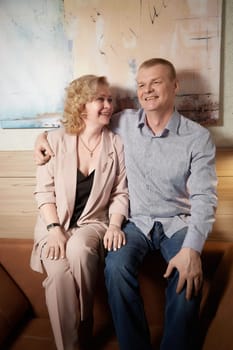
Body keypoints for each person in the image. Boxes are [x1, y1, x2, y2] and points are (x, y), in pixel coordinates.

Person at [34, 58, 217, 350]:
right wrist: (42, 138)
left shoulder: (198, 137)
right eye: (141, 84)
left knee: (187, 272)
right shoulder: (124, 122)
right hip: (138, 222)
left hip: (179, 222)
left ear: (175, 86)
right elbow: (79, 122)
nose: (147, 90)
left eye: (155, 82)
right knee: (115, 266)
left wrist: (192, 249)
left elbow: (204, 198)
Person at [30, 74, 129, 350]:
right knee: (59, 278)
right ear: (81, 104)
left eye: (110, 99)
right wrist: (54, 230)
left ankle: (85, 324)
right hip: (53, 225)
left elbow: (121, 192)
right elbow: (44, 192)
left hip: (93, 224)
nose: (108, 105)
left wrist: (115, 225)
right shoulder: (53, 140)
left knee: (79, 250)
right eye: (100, 99)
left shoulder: (117, 144)